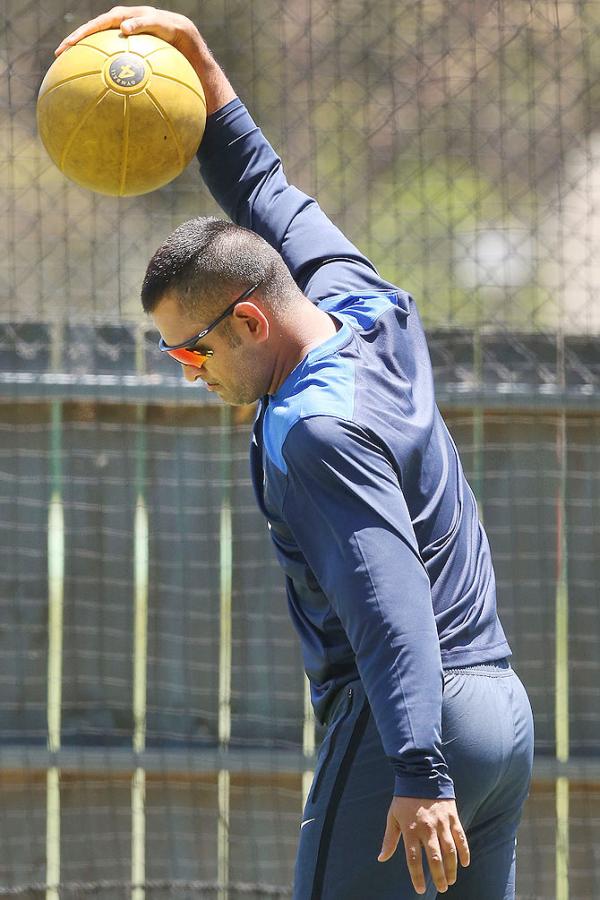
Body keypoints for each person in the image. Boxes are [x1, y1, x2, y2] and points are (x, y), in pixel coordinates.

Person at [57, 8, 535, 899]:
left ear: (249, 321)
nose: (187, 373)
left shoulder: (311, 429)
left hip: (416, 726)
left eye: (191, 351)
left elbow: (387, 598)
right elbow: (265, 185)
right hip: (500, 715)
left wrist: (420, 771)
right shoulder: (370, 308)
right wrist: (200, 67)